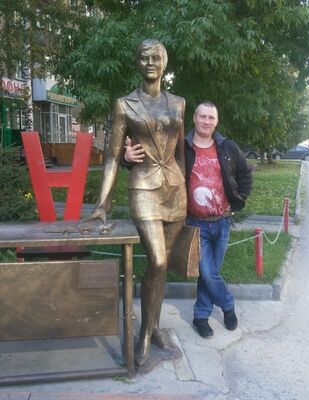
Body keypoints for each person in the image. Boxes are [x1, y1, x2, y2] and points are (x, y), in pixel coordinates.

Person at [89, 39, 186, 366]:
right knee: (156, 261)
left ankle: (155, 327)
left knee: (162, 266)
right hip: (144, 187)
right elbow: (113, 156)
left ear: (164, 63)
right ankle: (144, 332)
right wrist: (102, 202)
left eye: (156, 58)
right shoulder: (124, 104)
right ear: (137, 63)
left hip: (176, 190)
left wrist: (186, 187)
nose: (150, 63)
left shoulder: (179, 103)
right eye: (144, 58)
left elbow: (181, 154)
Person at [125, 101, 252, 338]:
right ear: (194, 118)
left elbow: (245, 173)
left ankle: (201, 316)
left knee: (210, 273)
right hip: (196, 223)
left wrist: (238, 201)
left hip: (222, 221)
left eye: (211, 118)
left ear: (217, 121)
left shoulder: (227, 147)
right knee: (208, 273)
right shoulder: (181, 146)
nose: (206, 121)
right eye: (202, 116)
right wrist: (127, 158)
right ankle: (227, 305)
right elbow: (153, 163)